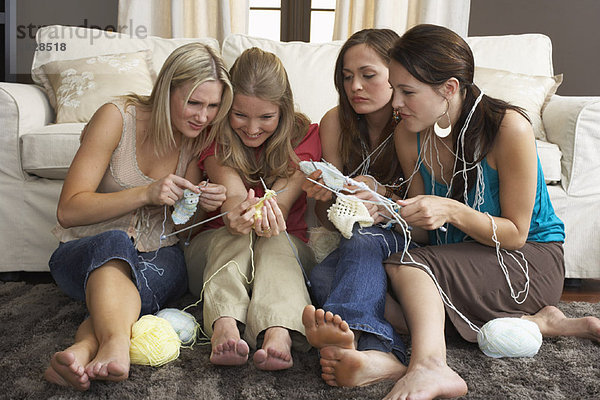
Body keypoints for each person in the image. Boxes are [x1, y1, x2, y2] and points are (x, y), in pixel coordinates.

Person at [378, 24, 599, 400]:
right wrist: (385, 207)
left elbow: (516, 233)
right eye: (393, 89)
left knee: (408, 269)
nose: (394, 102)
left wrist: (450, 209)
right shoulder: (408, 133)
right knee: (381, 294)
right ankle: (540, 324)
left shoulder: (507, 127)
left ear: (448, 89)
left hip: (528, 260)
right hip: (467, 259)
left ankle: (431, 366)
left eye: (407, 91)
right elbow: (426, 236)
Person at [43, 42, 233, 391]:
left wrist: (201, 205)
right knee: (116, 243)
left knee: (167, 268)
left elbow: (181, 227)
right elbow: (68, 210)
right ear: (165, 90)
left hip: (158, 254)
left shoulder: (198, 137)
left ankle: (83, 349)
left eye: (213, 106)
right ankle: (114, 345)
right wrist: (144, 193)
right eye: (193, 102)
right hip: (86, 254)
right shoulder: (116, 117)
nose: (203, 116)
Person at [184, 47, 320, 371]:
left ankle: (278, 331)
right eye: (240, 115)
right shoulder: (214, 135)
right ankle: (224, 325)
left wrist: (267, 216)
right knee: (234, 235)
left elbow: (281, 205)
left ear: (283, 110)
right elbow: (231, 193)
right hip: (213, 252)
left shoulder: (306, 135)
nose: (253, 128)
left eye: (266, 117)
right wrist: (235, 214)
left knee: (275, 238)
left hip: (285, 249)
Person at [300, 28, 410, 387]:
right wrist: (328, 198)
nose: (355, 87)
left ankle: (361, 340)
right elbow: (330, 223)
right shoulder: (336, 122)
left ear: (396, 74)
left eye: (368, 75)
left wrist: (383, 196)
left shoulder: (412, 122)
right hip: (353, 240)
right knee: (321, 278)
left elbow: (426, 206)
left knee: (362, 239)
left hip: (406, 238)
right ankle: (382, 355)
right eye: (347, 77)